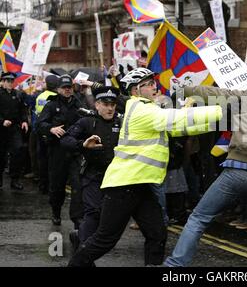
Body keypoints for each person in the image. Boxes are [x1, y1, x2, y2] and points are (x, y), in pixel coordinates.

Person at [68, 68, 223, 267]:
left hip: (140, 183)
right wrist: (220, 109)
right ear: (135, 90)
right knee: (105, 240)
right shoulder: (142, 109)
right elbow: (177, 119)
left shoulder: (145, 108)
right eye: (148, 84)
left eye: (153, 82)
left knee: (157, 234)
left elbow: (179, 127)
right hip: (124, 185)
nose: (154, 86)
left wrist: (218, 119)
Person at [164, 68, 247, 267]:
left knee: (199, 218)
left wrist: (184, 89)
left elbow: (212, 93)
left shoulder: (246, 99)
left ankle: (175, 266)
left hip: (236, 171)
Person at [60, 86, 121, 251]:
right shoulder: (87, 121)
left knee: (108, 217)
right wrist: (83, 145)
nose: (110, 108)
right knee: (93, 212)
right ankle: (83, 254)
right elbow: (65, 140)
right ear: (97, 105)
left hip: (116, 177)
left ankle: (79, 236)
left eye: (113, 104)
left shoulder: (121, 122)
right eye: (106, 104)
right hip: (93, 175)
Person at [37, 74, 84, 227]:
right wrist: (51, 128)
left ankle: (77, 218)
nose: (67, 90)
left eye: (69, 87)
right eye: (64, 88)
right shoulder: (51, 105)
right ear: (58, 89)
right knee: (57, 186)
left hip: (76, 150)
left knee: (78, 185)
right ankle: (56, 212)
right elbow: (40, 124)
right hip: (57, 151)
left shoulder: (79, 104)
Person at [0, 72, 29, 190]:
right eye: (8, 81)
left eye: (12, 81)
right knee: (1, 154)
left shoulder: (17, 94)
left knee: (17, 150)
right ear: (3, 82)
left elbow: (23, 109)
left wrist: (24, 121)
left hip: (14, 128)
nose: (10, 83)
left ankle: (15, 179)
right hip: (1, 128)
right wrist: (1, 121)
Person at [35, 74, 59, 194]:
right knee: (53, 160)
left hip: (41, 130)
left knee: (42, 159)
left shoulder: (40, 97)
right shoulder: (58, 98)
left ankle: (42, 185)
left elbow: (36, 113)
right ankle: (51, 185)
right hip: (54, 131)